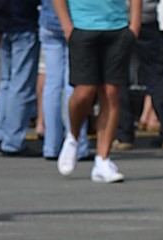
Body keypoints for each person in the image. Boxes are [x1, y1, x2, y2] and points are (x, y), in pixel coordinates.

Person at [52, 0, 139, 183]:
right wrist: (67, 27)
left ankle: (103, 159)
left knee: (111, 93)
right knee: (84, 92)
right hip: (82, 25)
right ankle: (73, 136)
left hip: (117, 26)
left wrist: (135, 24)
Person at [115, 0, 163, 151]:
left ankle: (124, 135)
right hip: (146, 17)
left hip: (117, 18)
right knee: (157, 75)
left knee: (118, 77)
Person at [38, 0, 91, 161]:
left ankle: (51, 145)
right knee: (73, 83)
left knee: (52, 84)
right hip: (75, 20)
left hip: (48, 19)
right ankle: (77, 144)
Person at [0, 0, 41, 157]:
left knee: (6, 82)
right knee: (21, 85)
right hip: (23, 21)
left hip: (3, 22)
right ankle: (13, 141)